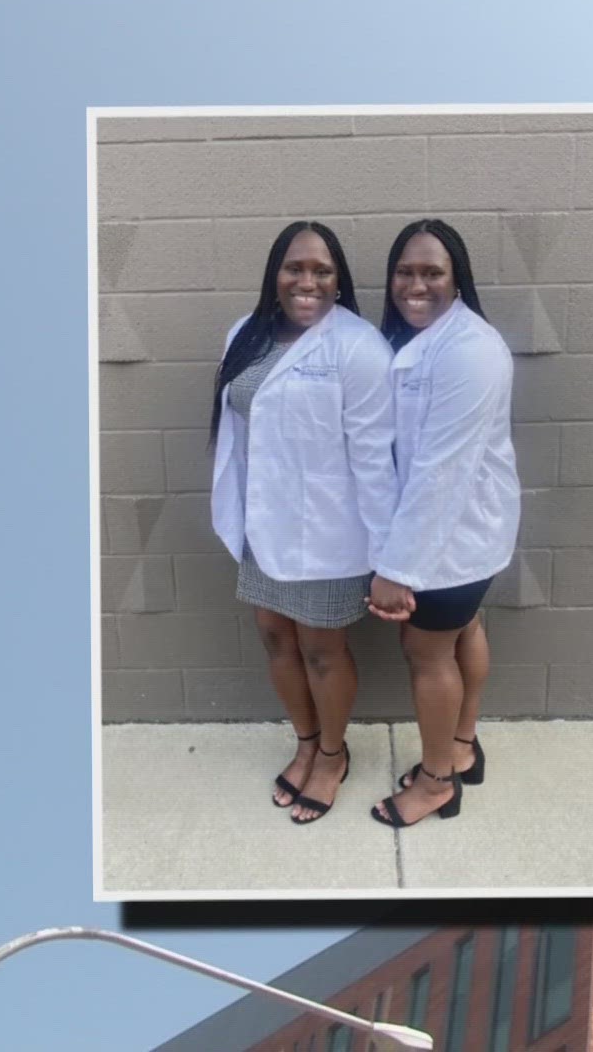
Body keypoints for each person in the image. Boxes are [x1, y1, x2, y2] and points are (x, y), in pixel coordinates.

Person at [208, 220, 396, 825]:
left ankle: (334, 755)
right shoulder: (246, 334)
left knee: (321, 647)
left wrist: (391, 555)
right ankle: (307, 741)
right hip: (262, 524)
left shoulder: (358, 346)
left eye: (322, 271)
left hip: (329, 534)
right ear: (275, 274)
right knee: (275, 638)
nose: (306, 281)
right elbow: (238, 435)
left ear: (339, 281)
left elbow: (374, 455)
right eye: (295, 268)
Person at [365, 219, 521, 829]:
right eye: (405, 271)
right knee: (463, 632)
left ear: (457, 280)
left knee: (425, 649)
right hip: (466, 534)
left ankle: (435, 784)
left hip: (451, 537)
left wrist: (397, 570)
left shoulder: (470, 350)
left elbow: (440, 471)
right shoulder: (426, 341)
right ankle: (461, 745)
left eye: (432, 272)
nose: (416, 284)